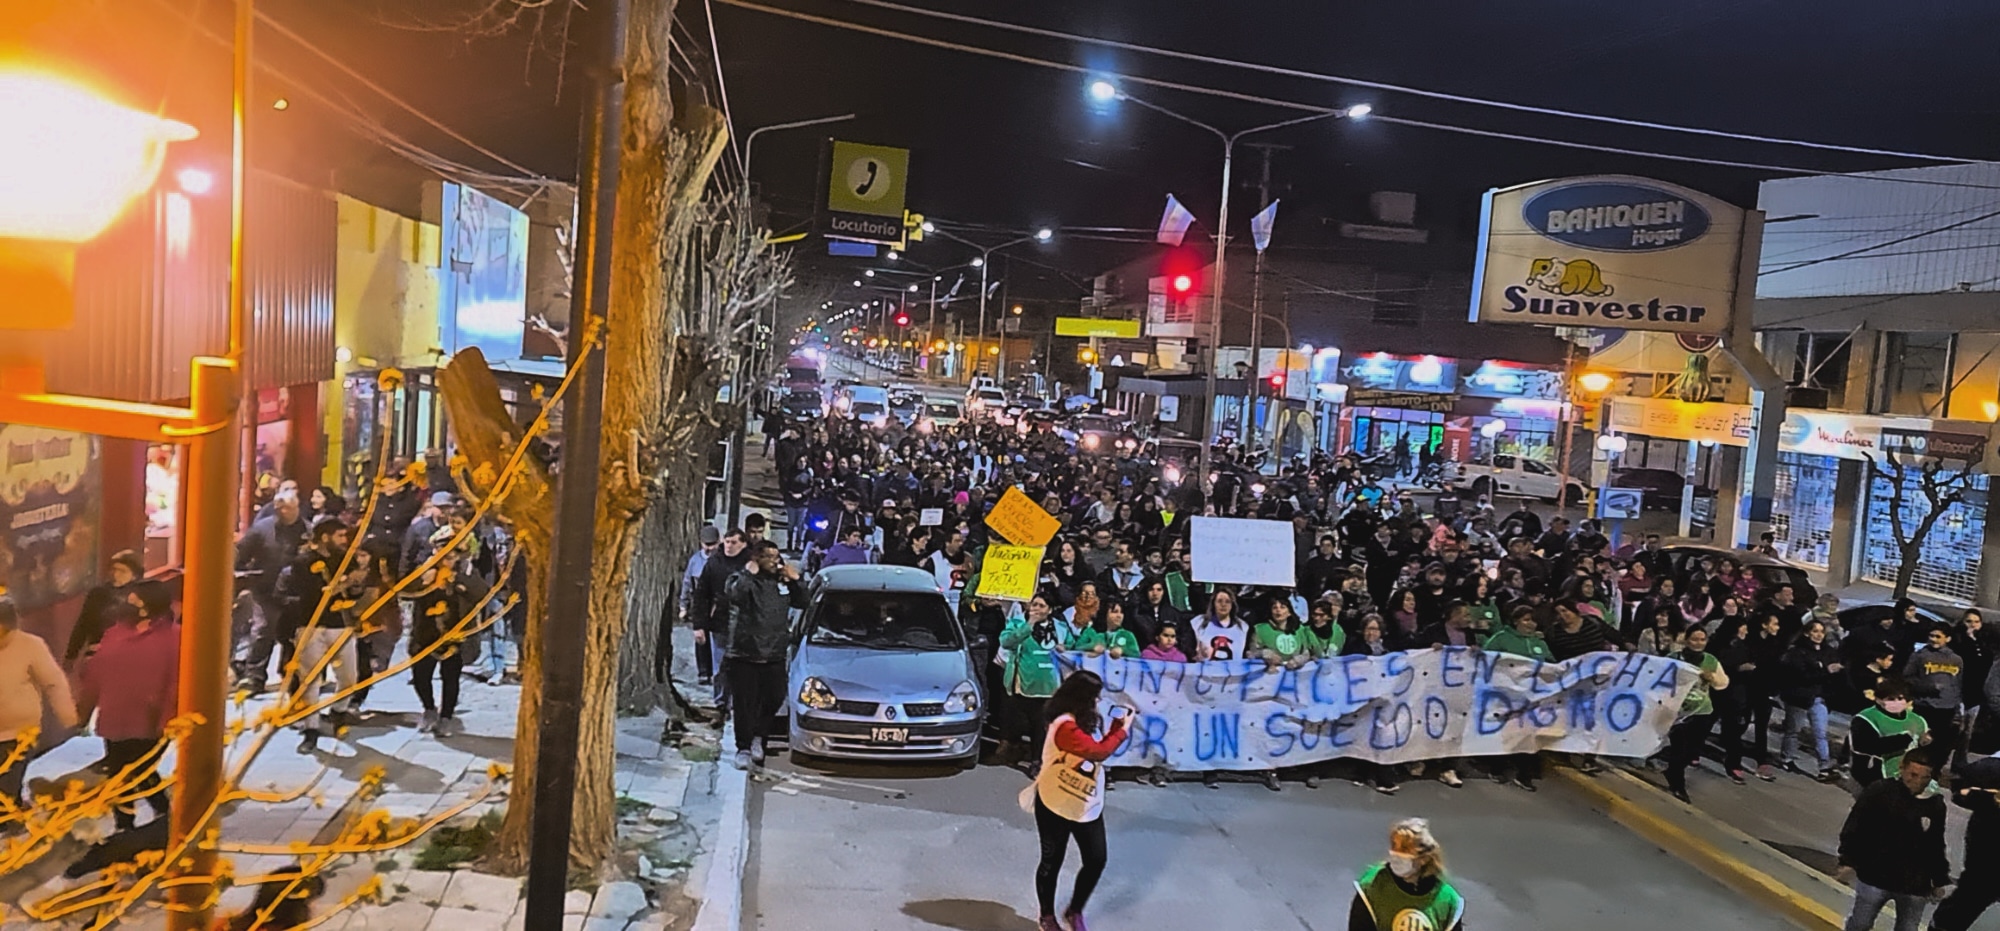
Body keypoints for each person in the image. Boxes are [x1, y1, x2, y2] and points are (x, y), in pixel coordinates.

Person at [1027, 670, 1127, 931]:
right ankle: (1047, 916)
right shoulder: (1064, 725)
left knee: (1096, 859)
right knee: (1052, 860)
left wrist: (1113, 726)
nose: (1098, 702)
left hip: (1085, 802)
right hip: (1055, 801)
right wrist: (1121, 729)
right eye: (1094, 697)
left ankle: (1075, 910)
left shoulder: (1085, 720)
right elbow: (1098, 751)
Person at [73, 594, 176, 831]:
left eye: (137, 601)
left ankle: (160, 815)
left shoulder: (172, 637)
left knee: (141, 770)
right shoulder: (114, 636)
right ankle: (127, 823)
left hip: (148, 719)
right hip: (116, 717)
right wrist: (83, 713)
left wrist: (168, 717)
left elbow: (176, 682)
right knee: (120, 774)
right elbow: (95, 678)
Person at [1836, 750, 1950, 931]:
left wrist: (1938, 879)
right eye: (1913, 775)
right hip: (1875, 875)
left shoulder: (1934, 804)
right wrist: (1847, 860)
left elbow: (1935, 843)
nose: (1918, 782)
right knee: (1860, 924)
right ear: (1902, 768)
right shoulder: (1880, 791)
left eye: (1925, 777)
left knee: (1908, 928)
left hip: (1914, 884)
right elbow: (1856, 827)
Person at [723, 541, 811, 769]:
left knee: (775, 696)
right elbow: (735, 596)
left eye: (776, 556)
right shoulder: (742, 579)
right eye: (769, 557)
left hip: (774, 652)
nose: (774, 561)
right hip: (745, 652)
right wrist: (747, 574)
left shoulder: (781, 583)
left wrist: (796, 580)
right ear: (756, 559)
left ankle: (759, 736)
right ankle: (743, 746)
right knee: (745, 703)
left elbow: (804, 602)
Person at [286, 518, 359, 755]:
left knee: (349, 676)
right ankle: (311, 728)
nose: (343, 540)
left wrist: (353, 584)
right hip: (310, 625)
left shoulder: (344, 558)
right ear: (325, 537)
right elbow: (311, 594)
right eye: (339, 536)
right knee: (310, 680)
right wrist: (342, 585)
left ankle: (338, 710)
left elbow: (354, 587)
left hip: (340, 624)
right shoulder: (302, 561)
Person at [0, 594, 78, 811]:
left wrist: (67, 716)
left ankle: (9, 819)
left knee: (8, 783)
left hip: (18, 733)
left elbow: (54, 683)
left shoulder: (31, 646)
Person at [234, 490, 306, 692]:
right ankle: (254, 676)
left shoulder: (307, 530)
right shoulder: (261, 529)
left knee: (292, 635)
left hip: (295, 592)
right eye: (281, 508)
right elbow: (242, 553)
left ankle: (290, 674)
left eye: (289, 508)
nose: (285, 512)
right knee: (263, 631)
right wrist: (242, 576)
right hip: (266, 589)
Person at [1348, 817, 1466, 931]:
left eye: (1405, 850)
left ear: (1424, 859)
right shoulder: (1373, 887)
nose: (1397, 856)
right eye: (1394, 847)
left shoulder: (1447, 900)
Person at [1483, 606, 1552, 791]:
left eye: (1533, 621)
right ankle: (1497, 768)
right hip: (1505, 697)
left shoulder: (1539, 643)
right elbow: (1486, 660)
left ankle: (1524, 775)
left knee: (1528, 736)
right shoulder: (1501, 639)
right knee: (1505, 733)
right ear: (1516, 621)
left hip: (1531, 698)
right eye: (1526, 620)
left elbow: (1551, 665)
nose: (1530, 624)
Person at [1930, 755, 2000, 931]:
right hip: (1988, 856)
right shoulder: (1992, 768)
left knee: (1970, 897)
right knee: (1971, 897)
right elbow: (1962, 792)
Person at [691, 529, 752, 717]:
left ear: (743, 543)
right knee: (720, 666)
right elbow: (701, 595)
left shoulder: (750, 564)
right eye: (727, 542)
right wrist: (699, 625)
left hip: (746, 624)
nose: (729, 546)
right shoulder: (714, 563)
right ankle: (721, 702)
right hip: (720, 622)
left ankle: (737, 702)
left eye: (733, 542)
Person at [1663, 626, 1728, 803]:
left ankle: (1672, 772)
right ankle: (1677, 783)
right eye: (1694, 639)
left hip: (1702, 711)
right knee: (1679, 748)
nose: (1698, 643)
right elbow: (1660, 680)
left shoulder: (1710, 660)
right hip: (1679, 712)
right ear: (1686, 640)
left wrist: (1711, 678)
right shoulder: (1673, 659)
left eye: (1702, 640)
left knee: (1693, 750)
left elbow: (1722, 684)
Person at [998, 595, 1064, 766]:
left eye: (1041, 605)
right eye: (1034, 604)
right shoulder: (1018, 624)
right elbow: (1006, 641)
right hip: (1024, 683)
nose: (1036, 608)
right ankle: (1017, 750)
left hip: (1050, 686)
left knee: (1041, 725)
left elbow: (1073, 648)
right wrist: (1029, 625)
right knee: (1022, 722)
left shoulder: (1060, 628)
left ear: (1049, 610)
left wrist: (1066, 648)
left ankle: (1037, 760)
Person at [1778, 619, 1844, 782]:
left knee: (1820, 733)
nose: (1819, 635)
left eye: (1821, 632)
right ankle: (1787, 759)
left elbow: (1833, 674)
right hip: (1798, 697)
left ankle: (1824, 766)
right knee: (1793, 730)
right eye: (1815, 631)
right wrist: (1825, 671)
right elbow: (1801, 676)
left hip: (1818, 698)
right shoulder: (1797, 652)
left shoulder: (1828, 651)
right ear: (1807, 633)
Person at [65, 549, 144, 670]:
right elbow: (83, 624)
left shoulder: (144, 595)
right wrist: (71, 655)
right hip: (97, 652)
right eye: (114, 569)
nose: (116, 574)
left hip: (131, 654)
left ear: (135, 575)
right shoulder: (98, 593)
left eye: (122, 571)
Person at [1903, 623, 1964, 776]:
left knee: (1941, 746)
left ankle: (1933, 774)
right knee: (1918, 743)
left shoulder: (1956, 659)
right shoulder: (1920, 656)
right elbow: (1907, 678)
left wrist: (1957, 708)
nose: (1934, 639)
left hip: (1947, 709)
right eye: (1931, 636)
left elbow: (1958, 685)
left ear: (1948, 638)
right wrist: (1927, 686)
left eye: (1938, 636)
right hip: (1925, 706)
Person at [1849, 679, 1931, 789]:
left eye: (1900, 698)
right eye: (1891, 699)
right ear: (1878, 699)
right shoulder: (1866, 718)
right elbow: (1863, 746)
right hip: (1872, 778)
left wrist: (1926, 742)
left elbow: (1923, 745)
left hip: (1906, 779)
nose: (1896, 702)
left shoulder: (1916, 720)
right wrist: (1901, 741)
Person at [675, 525, 721, 686]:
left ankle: (716, 671)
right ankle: (703, 671)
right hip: (700, 603)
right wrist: (683, 606)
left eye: (713, 544)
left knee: (717, 639)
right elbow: (687, 583)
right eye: (706, 544)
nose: (709, 548)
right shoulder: (695, 561)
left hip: (717, 602)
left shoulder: (720, 559)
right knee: (701, 638)